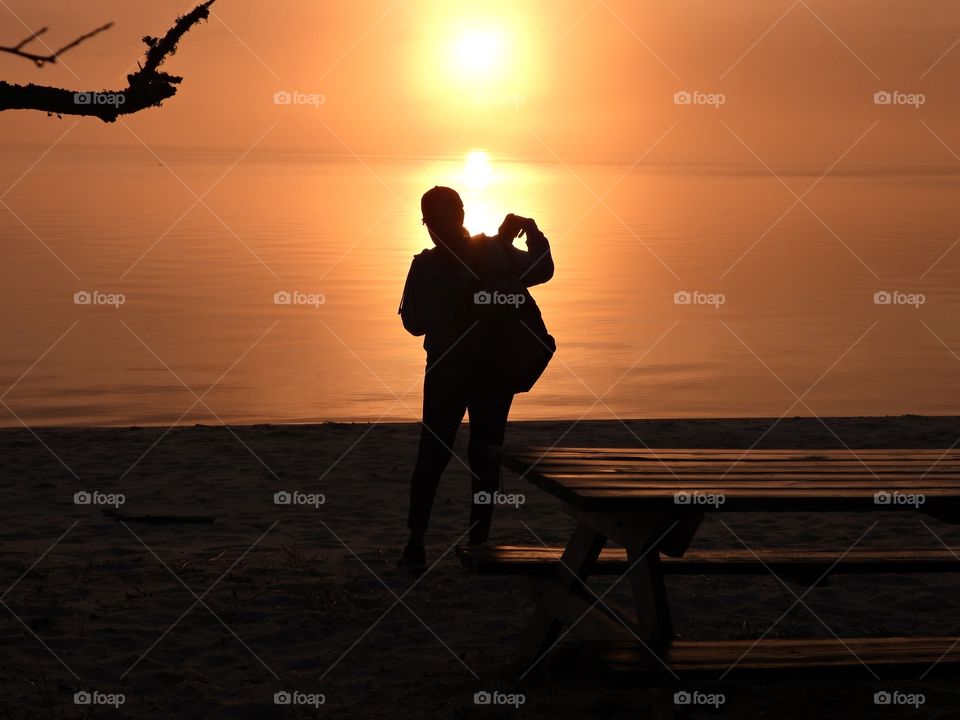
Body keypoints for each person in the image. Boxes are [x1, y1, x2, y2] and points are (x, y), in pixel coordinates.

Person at [397, 186, 554, 571]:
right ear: (463, 214)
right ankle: (478, 540)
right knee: (485, 456)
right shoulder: (494, 252)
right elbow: (543, 268)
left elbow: (414, 324)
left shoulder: (426, 266)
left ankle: (416, 544)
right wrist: (532, 231)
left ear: (427, 224)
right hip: (493, 371)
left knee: (432, 456)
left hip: (446, 372)